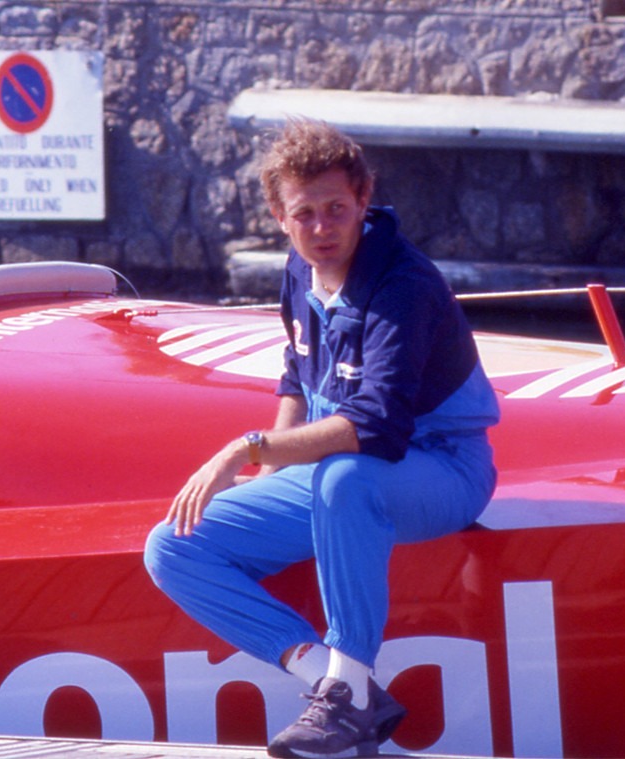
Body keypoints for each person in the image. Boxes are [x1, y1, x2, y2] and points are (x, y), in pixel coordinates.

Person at [144, 119, 500, 758]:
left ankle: (352, 681)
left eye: (337, 209)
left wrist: (248, 449)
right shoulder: (300, 270)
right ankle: (329, 681)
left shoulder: (405, 284)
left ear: (365, 200)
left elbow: (377, 426)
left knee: (343, 477)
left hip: (444, 469)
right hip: (344, 474)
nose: (322, 227)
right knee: (173, 546)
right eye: (304, 214)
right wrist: (273, 470)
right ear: (280, 217)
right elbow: (296, 369)